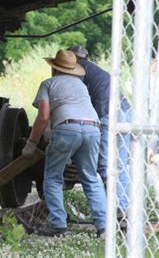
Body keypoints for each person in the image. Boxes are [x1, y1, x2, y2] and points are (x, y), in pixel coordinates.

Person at [22, 49, 106, 236]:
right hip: (93, 129)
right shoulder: (81, 86)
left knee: (52, 178)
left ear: (54, 68)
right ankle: (104, 226)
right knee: (91, 178)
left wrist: (31, 143)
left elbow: (43, 118)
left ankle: (58, 225)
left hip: (67, 129)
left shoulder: (48, 84)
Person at [68, 45, 131, 214]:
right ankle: (123, 207)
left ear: (74, 58)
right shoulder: (95, 70)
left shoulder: (78, 70)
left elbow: (75, 99)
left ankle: (113, 210)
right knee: (121, 165)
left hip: (108, 115)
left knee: (105, 165)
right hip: (126, 113)